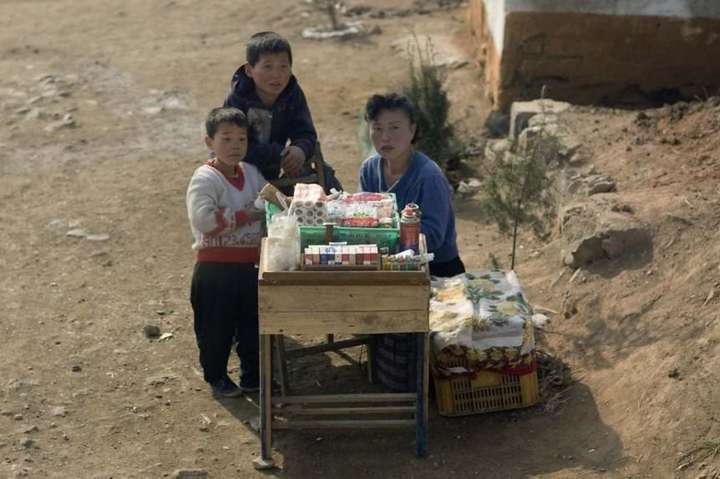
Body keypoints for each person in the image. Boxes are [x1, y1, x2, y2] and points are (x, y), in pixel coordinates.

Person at [186, 107, 265, 398]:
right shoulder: (205, 179)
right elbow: (204, 221)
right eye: (227, 138)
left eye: (242, 139)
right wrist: (247, 215)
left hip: (249, 266)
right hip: (214, 269)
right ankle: (216, 377)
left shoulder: (252, 173)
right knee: (215, 328)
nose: (235, 146)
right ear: (210, 142)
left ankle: (252, 376)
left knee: (251, 325)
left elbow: (267, 200)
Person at [359, 93, 465, 277]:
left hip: (436, 269)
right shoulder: (369, 169)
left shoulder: (429, 176)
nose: (385, 137)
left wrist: (387, 233)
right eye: (377, 128)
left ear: (412, 130)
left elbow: (433, 237)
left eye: (394, 128)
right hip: (387, 265)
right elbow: (363, 216)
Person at [222, 31, 319, 184]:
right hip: (236, 173)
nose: (277, 75)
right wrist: (278, 154)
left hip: (273, 171)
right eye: (268, 67)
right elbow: (234, 145)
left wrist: (300, 149)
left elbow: (305, 131)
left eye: (283, 66)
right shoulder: (238, 99)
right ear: (249, 70)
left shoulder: (292, 94)